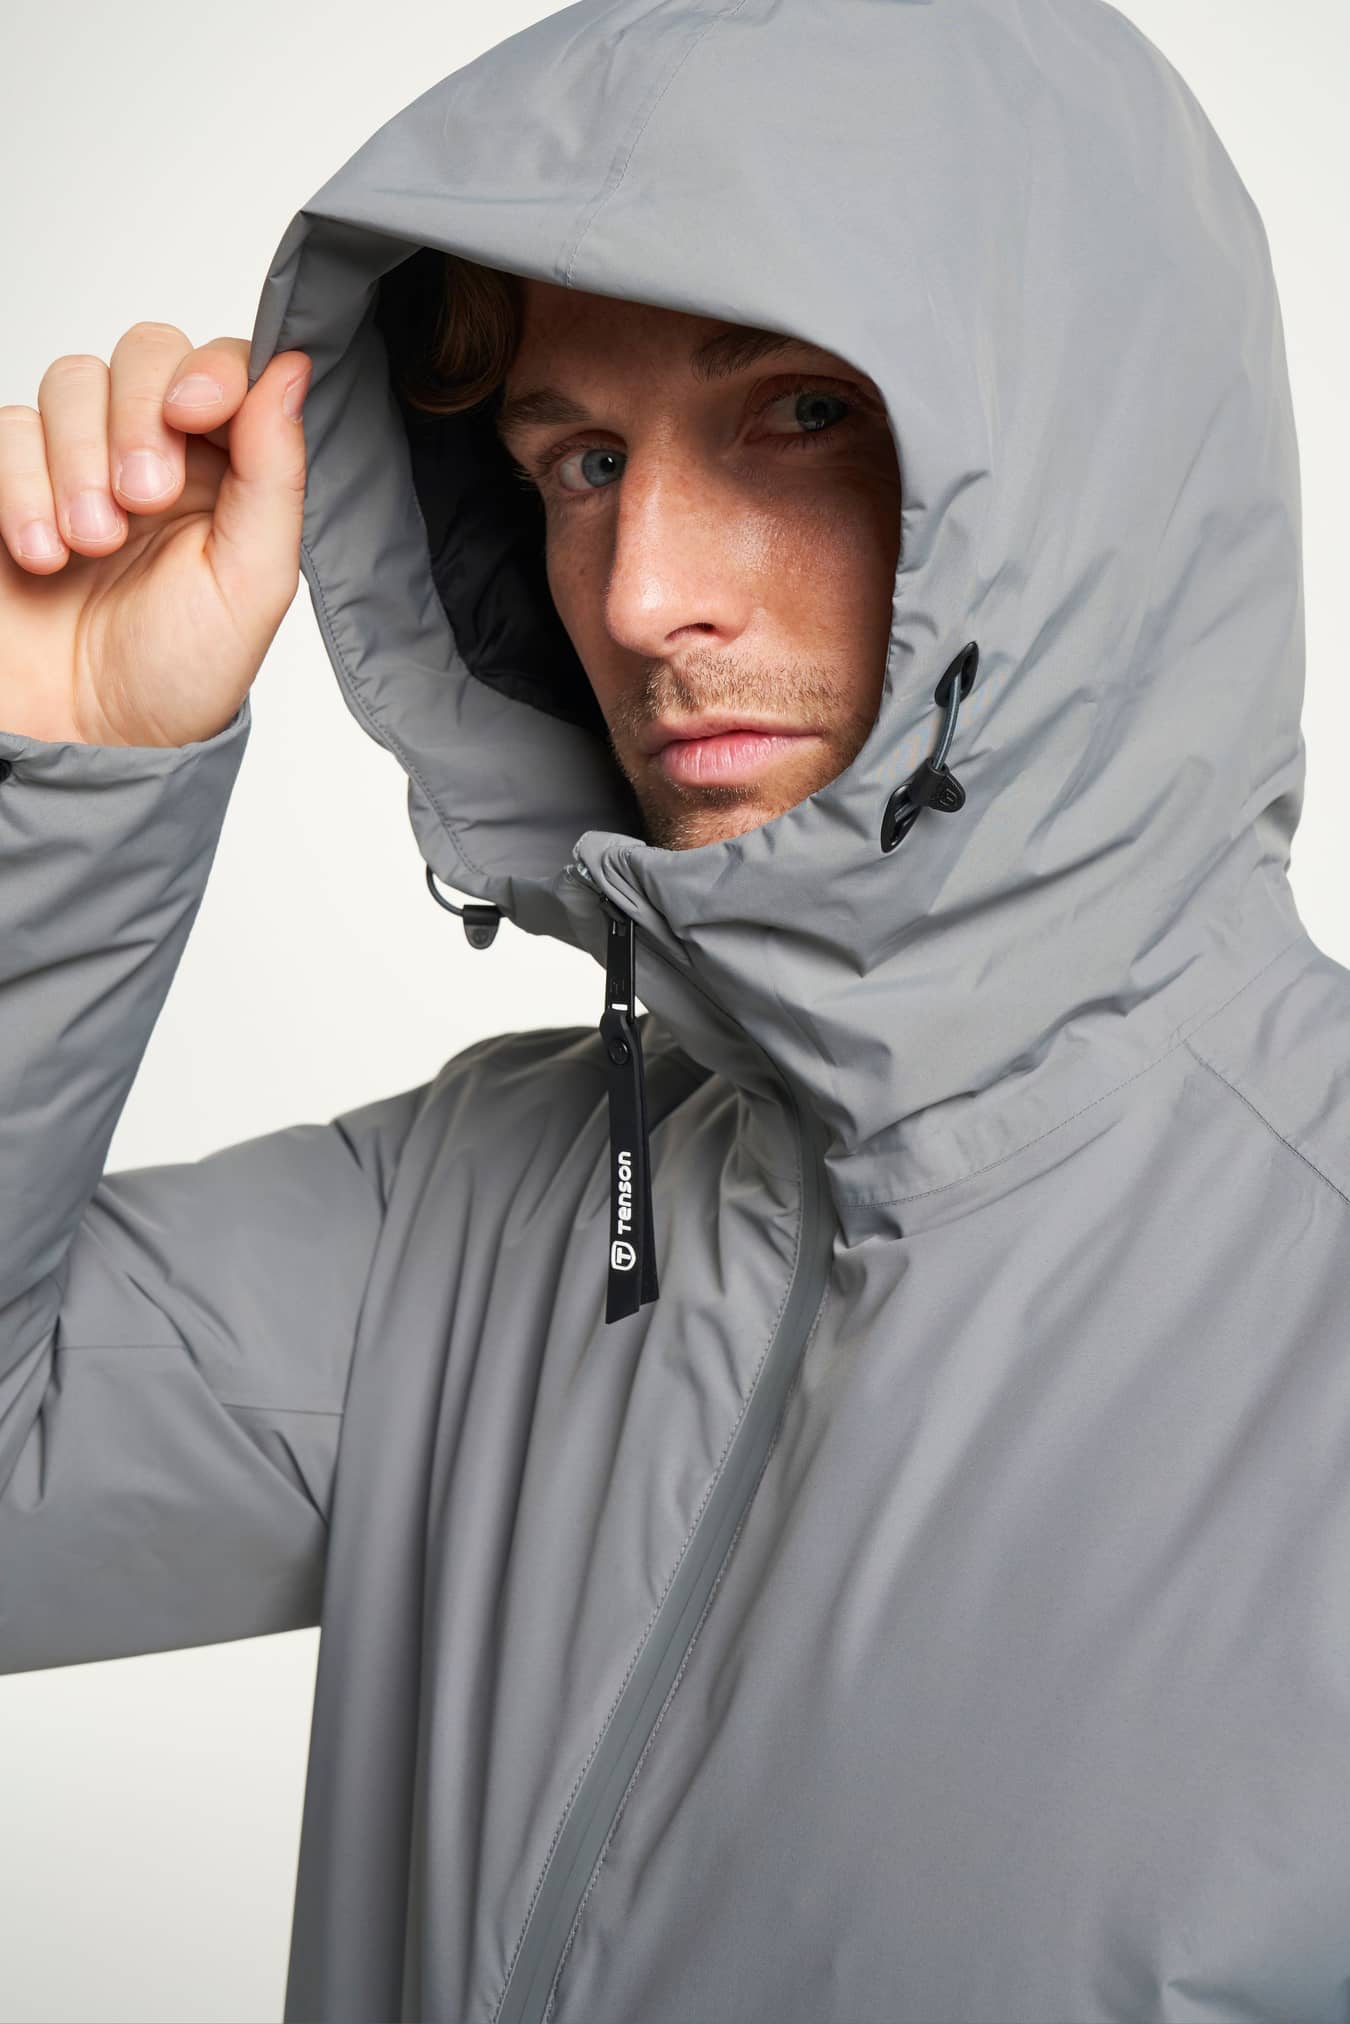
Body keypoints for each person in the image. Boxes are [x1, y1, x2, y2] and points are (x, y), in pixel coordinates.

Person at [1, 0, 1345, 2018]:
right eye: (581, 459)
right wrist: (65, 778)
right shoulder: (467, 1214)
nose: (638, 596)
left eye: (797, 414)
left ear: (1089, 458)